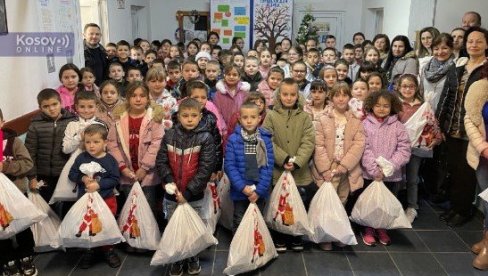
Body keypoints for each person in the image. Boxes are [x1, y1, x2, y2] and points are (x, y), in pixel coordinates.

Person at [155, 98, 216, 276]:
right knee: (175, 227)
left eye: (194, 116)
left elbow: (206, 168)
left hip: (194, 195)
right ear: (178, 116)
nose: (189, 119)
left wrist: (188, 193)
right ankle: (178, 258)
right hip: (172, 193)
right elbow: (161, 161)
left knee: (192, 228)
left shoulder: (206, 137)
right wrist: (169, 182)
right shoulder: (169, 135)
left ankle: (192, 256)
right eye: (185, 115)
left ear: (200, 116)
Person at [437, 27, 488, 227]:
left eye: (478, 41)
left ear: (486, 44)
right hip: (452, 127)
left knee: (467, 173)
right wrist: (440, 124)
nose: (473, 45)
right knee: (453, 169)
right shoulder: (458, 67)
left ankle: (463, 210)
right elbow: (447, 97)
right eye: (470, 41)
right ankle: (454, 206)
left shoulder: (485, 69)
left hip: (473, 131)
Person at [263, 78, 315, 253]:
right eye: (285, 94)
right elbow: (266, 139)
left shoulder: (305, 117)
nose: (288, 97)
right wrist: (284, 158)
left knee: (296, 203)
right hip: (278, 170)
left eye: (293, 94)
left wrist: (297, 161)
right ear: (279, 95)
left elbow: (309, 141)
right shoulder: (270, 116)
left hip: (299, 173)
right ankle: (279, 236)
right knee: (279, 204)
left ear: (298, 96)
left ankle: (295, 236)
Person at [312, 82, 365, 250]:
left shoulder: (355, 119)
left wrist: (345, 165)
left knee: (342, 200)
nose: (341, 98)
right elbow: (318, 145)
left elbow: (359, 144)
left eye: (344, 95)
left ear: (349, 98)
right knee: (328, 203)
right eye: (337, 95)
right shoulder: (322, 118)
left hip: (346, 168)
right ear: (331, 97)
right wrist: (325, 169)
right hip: (328, 167)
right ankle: (325, 236)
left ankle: (337, 233)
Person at [107, 82, 164, 228]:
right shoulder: (118, 119)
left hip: (148, 174)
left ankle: (148, 242)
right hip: (127, 173)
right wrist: (122, 167)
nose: (138, 99)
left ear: (148, 99)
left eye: (142, 96)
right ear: (127, 98)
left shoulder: (154, 119)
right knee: (130, 208)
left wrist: (144, 168)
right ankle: (131, 242)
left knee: (147, 207)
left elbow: (157, 144)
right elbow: (112, 144)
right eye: (133, 96)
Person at [360, 90, 411, 246]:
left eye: (386, 106)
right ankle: (368, 228)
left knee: (385, 202)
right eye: (378, 105)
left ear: (392, 107)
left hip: (390, 175)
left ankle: (382, 227)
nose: (381, 109)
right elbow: (363, 148)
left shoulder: (398, 126)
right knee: (370, 202)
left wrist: (389, 167)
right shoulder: (365, 124)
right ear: (371, 106)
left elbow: (404, 149)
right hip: (370, 174)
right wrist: (374, 169)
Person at [68, 124, 121, 269]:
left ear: (105, 142)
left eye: (96, 142)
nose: (91, 146)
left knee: (106, 224)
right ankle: (89, 250)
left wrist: (99, 185)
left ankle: (108, 250)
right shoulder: (81, 158)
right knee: (88, 225)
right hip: (86, 202)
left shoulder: (110, 160)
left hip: (106, 200)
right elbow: (72, 174)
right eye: (88, 142)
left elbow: (115, 179)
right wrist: (83, 178)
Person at [397, 74, 441, 223]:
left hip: (415, 148)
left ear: (416, 88)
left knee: (412, 177)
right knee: (395, 177)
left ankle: (412, 206)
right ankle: (393, 204)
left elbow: (431, 123)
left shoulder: (423, 104)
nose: (408, 89)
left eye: (411, 86)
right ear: (398, 87)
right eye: (404, 86)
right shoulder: (395, 104)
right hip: (397, 147)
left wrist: (437, 137)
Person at [225, 103, 274, 235]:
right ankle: (240, 250)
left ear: (259, 118)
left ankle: (256, 249)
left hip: (259, 191)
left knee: (257, 221)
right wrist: (242, 187)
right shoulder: (233, 139)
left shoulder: (265, 140)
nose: (249, 120)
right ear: (239, 119)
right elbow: (230, 166)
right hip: (240, 191)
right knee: (239, 221)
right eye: (245, 117)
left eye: (253, 117)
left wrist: (259, 190)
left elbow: (267, 167)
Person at [0, 108, 37, 276]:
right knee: (2, 228)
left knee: (22, 225)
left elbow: (27, 164)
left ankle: (26, 255)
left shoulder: (13, 142)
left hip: (16, 193)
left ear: (2, 121)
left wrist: (6, 166)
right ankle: (8, 259)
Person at [25, 89, 76, 203]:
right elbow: (30, 153)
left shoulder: (72, 121)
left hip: (66, 174)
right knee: (47, 206)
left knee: (68, 205)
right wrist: (32, 177)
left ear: (61, 102)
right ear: (40, 107)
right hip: (44, 175)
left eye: (54, 104)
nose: (51, 109)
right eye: (46, 106)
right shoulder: (35, 125)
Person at [464, 62, 488, 270]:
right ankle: (487, 238)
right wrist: (482, 147)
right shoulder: (480, 87)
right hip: (484, 154)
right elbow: (470, 119)